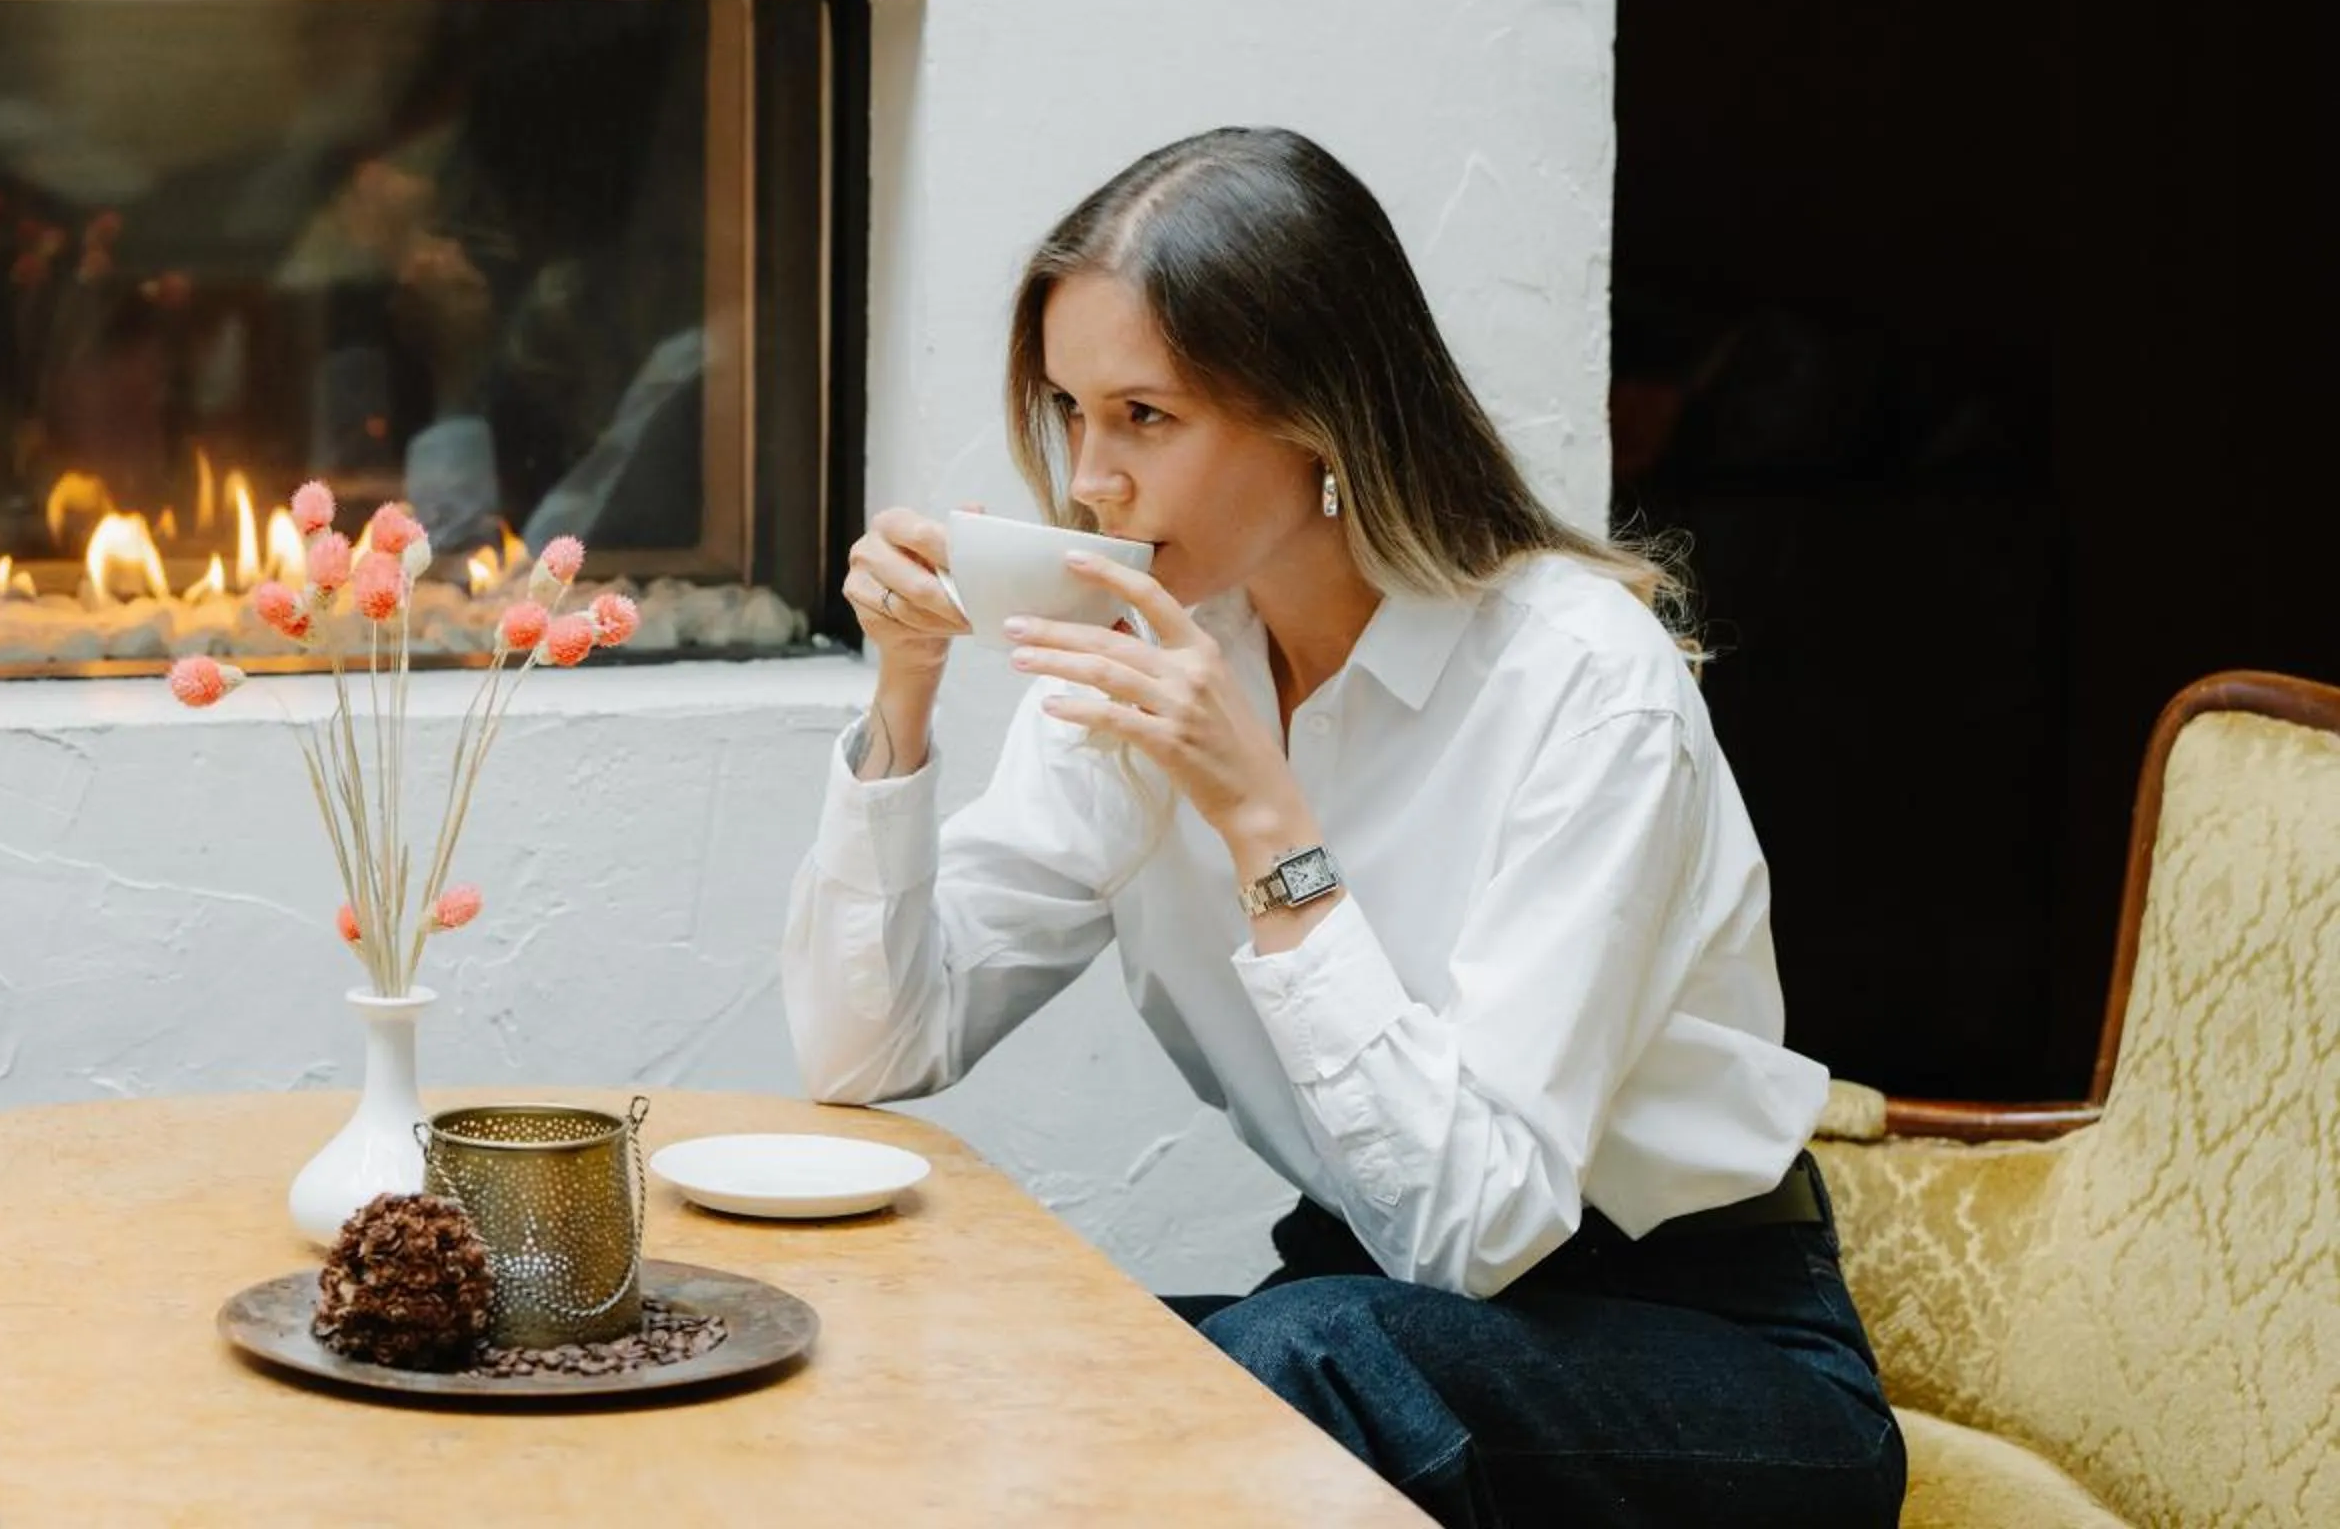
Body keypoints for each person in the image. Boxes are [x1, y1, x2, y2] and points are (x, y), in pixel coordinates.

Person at [781, 129, 1905, 1527]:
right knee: (1001, 1358)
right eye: (1072, 409)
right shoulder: (1158, 657)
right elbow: (868, 1047)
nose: (1086, 482)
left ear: (1319, 417)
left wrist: (1264, 820)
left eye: (1146, 416)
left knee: (1299, 1357)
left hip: (1705, 1359)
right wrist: (904, 696)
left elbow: (1480, 1231)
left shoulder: (1580, 684)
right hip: (1373, 1321)